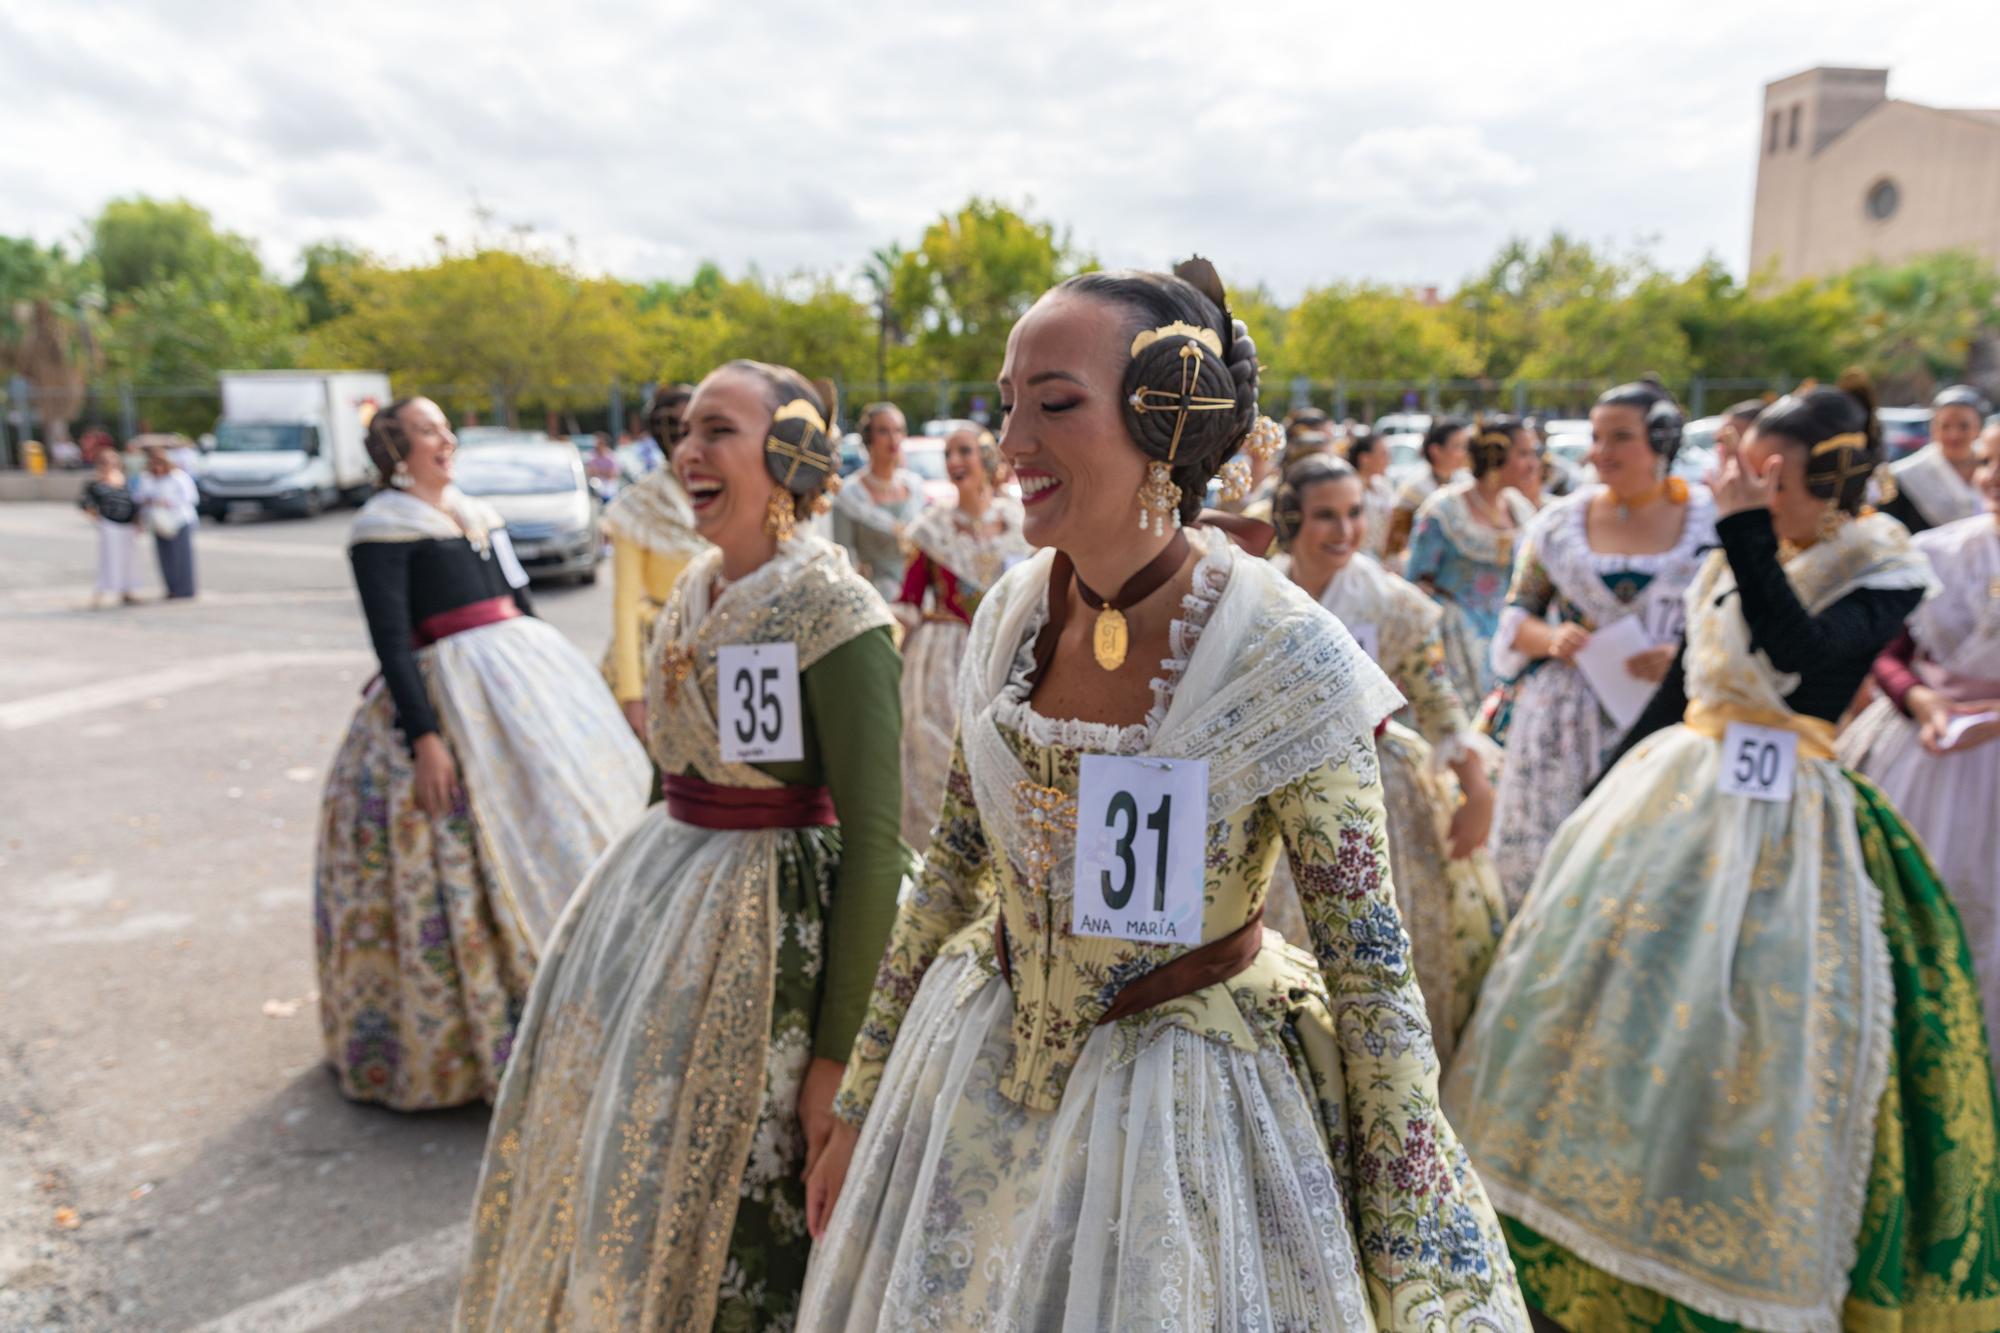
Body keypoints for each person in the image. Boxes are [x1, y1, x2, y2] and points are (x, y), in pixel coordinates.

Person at [798, 261, 1528, 1330]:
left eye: (1053, 404)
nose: (1010, 444)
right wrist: (860, 1104)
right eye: (1007, 404)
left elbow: (1371, 977)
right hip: (972, 1078)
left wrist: (1424, 1271)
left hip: (1189, 1117)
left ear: (1167, 422)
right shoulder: (1005, 614)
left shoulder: (1282, 654)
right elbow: (949, 873)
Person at [1445, 374, 2000, 1333]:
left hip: (1797, 822)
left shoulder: (1885, 561)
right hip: (1675, 799)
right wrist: (1602, 793)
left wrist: (1742, 533)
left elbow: (1806, 661)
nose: (1744, 484)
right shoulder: (1730, 549)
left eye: (1763, 472)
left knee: (1755, 1028)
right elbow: (1685, 692)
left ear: (1813, 473)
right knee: (1616, 1004)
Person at [457, 363, 911, 1332]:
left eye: (718, 431)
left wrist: (838, 1060)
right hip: (660, 907)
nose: (687, 453)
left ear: (791, 451)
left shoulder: (838, 615)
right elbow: (672, 769)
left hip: (778, 952)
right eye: (685, 433)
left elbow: (878, 844)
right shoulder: (700, 589)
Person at [315, 398, 648, 1110]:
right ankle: (475, 1040)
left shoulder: (477, 512)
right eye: (430, 431)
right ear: (398, 450)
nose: (447, 439)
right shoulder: (383, 528)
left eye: (444, 428)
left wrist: (566, 695)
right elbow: (394, 640)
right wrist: (426, 735)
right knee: (469, 860)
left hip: (523, 686)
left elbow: (519, 603)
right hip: (450, 698)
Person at [1270, 453, 1506, 1062]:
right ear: (1292, 519)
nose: (1345, 531)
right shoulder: (1256, 595)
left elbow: (1438, 700)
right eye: (1326, 516)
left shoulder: (1392, 604)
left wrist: (1476, 790)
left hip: (1375, 785)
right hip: (1270, 788)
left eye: (1354, 513)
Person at [1486, 380, 1718, 909]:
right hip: (1562, 726)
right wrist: (1553, 638)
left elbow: (1739, 624)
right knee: (1558, 871)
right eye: (1595, 437)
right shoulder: (1558, 526)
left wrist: (1682, 659)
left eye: (1620, 438)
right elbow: (1517, 618)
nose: (1599, 453)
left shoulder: (1712, 525)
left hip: (1670, 722)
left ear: (1662, 441)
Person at [1840, 425, 2000, 1075]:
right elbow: (1890, 651)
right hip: (1925, 752)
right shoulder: (1941, 551)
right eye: (1988, 462)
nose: (1991, 477)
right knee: (1910, 911)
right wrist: (1920, 700)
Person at [894, 422, 1027, 850]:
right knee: (941, 752)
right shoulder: (931, 529)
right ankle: (944, 853)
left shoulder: (1021, 523)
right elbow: (909, 601)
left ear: (987, 459)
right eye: (948, 454)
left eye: (964, 452)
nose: (954, 462)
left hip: (1010, 650)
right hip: (946, 655)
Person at [1405, 418, 1538, 705]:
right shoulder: (1443, 510)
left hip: (1509, 638)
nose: (1533, 464)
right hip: (1454, 643)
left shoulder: (1521, 509)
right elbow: (1414, 583)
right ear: (1495, 455)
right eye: (1524, 453)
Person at [601, 386, 709, 736]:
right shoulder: (638, 507)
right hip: (659, 655)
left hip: (721, 646)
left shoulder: (728, 493)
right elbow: (625, 605)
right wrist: (633, 694)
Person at [831, 400, 927, 600]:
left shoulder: (915, 487)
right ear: (868, 437)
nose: (893, 438)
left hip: (918, 596)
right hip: (873, 598)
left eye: (898, 430)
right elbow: (842, 557)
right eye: (883, 431)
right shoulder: (849, 494)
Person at [1881, 384, 1989, 533]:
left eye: (1964, 426)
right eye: (1945, 426)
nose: (1954, 435)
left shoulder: (1991, 464)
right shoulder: (1904, 477)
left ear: (1978, 428)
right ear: (1933, 428)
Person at [1384, 415, 1471, 558]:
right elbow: (1394, 546)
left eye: (1464, 446)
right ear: (1435, 450)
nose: (1463, 453)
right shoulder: (1412, 489)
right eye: (1457, 446)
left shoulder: (1465, 482)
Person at [132, 440, 199, 599]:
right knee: (165, 557)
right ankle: (171, 588)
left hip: (179, 519)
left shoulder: (178, 477)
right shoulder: (147, 478)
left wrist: (169, 502)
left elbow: (190, 498)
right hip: (158, 521)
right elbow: (138, 496)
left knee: (181, 556)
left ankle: (186, 589)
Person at [77, 447, 141, 608]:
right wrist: (98, 518)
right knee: (109, 559)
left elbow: (134, 502)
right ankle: (100, 593)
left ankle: (127, 591)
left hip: (127, 525)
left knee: (129, 559)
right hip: (110, 525)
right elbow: (84, 503)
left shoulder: (125, 480)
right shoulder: (95, 482)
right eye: (106, 461)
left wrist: (137, 521)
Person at [1345, 424, 1398, 558]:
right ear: (1365, 458)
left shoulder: (1383, 485)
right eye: (1383, 454)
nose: (1388, 460)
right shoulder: (1348, 490)